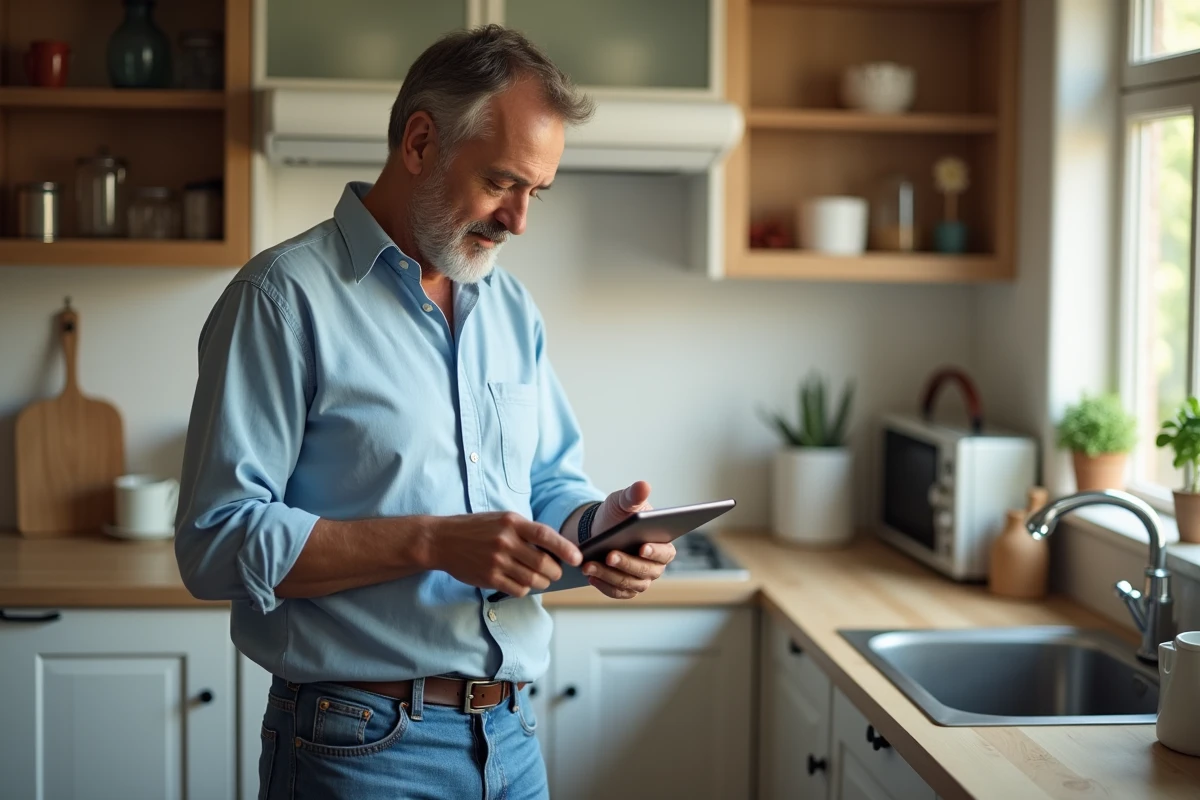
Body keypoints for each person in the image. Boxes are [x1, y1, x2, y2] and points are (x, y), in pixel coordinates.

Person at [174, 24, 677, 800]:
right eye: (503, 182)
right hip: (358, 745)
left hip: (510, 736)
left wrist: (598, 532)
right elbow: (214, 543)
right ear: (418, 143)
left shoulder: (510, 307)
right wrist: (435, 542)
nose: (519, 221)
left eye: (536, 192)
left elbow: (542, 489)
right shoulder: (281, 300)